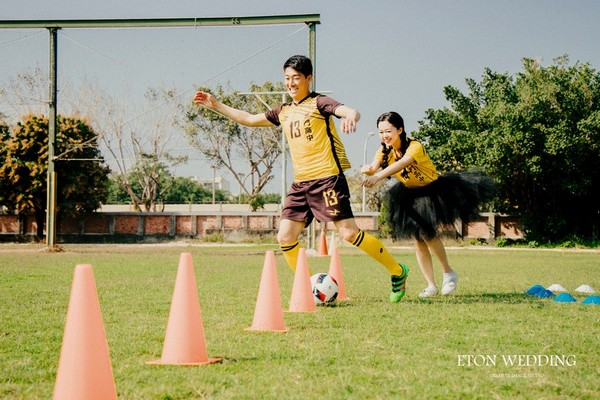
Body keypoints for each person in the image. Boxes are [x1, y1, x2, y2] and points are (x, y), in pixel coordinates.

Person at [193, 55, 409, 303]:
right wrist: (216, 104)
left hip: (327, 179)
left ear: (308, 78)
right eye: (287, 78)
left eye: (296, 78)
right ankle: (309, 291)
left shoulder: (319, 103)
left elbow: (349, 111)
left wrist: (351, 116)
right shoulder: (284, 111)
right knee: (285, 237)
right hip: (301, 185)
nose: (291, 83)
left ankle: (397, 271)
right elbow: (250, 119)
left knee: (349, 234)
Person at [362, 111, 495, 298]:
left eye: (388, 131)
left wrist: (376, 176)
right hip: (409, 193)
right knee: (417, 240)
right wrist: (369, 170)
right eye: (381, 132)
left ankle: (448, 272)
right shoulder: (384, 150)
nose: (385, 135)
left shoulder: (415, 146)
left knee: (428, 235)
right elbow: (374, 166)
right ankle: (430, 285)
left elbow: (400, 165)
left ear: (400, 130)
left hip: (433, 190)